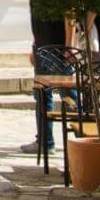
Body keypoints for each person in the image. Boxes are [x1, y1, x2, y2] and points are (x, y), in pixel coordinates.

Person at [20, 9, 69, 156]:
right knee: (41, 96)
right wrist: (34, 46)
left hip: (58, 48)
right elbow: (36, 21)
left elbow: (70, 17)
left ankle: (85, 143)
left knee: (70, 97)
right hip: (41, 48)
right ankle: (45, 142)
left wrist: (69, 47)